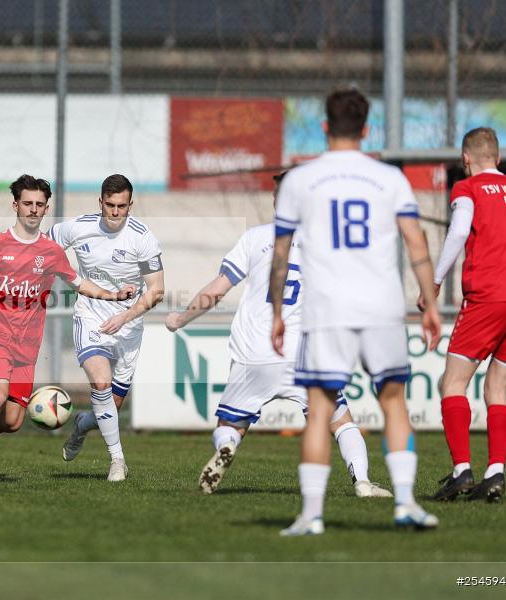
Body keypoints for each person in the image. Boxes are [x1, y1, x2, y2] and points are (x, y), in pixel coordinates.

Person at [270, 88, 442, 535]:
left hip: (328, 308)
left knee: (320, 407)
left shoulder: (298, 181)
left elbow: (281, 254)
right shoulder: (390, 178)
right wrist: (431, 303)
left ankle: (311, 515)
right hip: (382, 306)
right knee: (393, 403)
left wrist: (275, 312)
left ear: (325, 127)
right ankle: (405, 503)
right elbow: (417, 243)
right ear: (366, 130)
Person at [165, 171, 390, 498]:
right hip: (303, 355)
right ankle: (363, 482)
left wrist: (181, 318)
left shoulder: (255, 238)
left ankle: (226, 449)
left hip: (255, 351)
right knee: (341, 421)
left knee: (230, 426)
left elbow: (216, 291)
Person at [0, 174, 135, 484]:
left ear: (46, 208)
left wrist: (114, 295)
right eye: (27, 203)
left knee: (13, 420)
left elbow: (79, 284)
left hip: (27, 346)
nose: (33, 209)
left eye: (39, 204)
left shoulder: (50, 252)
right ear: (15, 205)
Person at [421, 128, 506, 502]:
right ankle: (495, 472)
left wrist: (433, 283)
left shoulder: (468, 189)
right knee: (497, 389)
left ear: (465, 159)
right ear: (498, 159)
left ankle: (461, 471)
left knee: (453, 383)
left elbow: (457, 233)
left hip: (490, 294)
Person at [52, 174, 165, 481]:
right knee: (100, 384)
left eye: (122, 206)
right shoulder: (78, 227)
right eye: (110, 206)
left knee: (112, 406)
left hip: (128, 328)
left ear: (131, 205)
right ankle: (118, 460)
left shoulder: (142, 237)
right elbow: (41, 248)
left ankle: (81, 426)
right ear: (100, 202)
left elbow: (156, 290)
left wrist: (125, 316)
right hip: (90, 318)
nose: (116, 213)